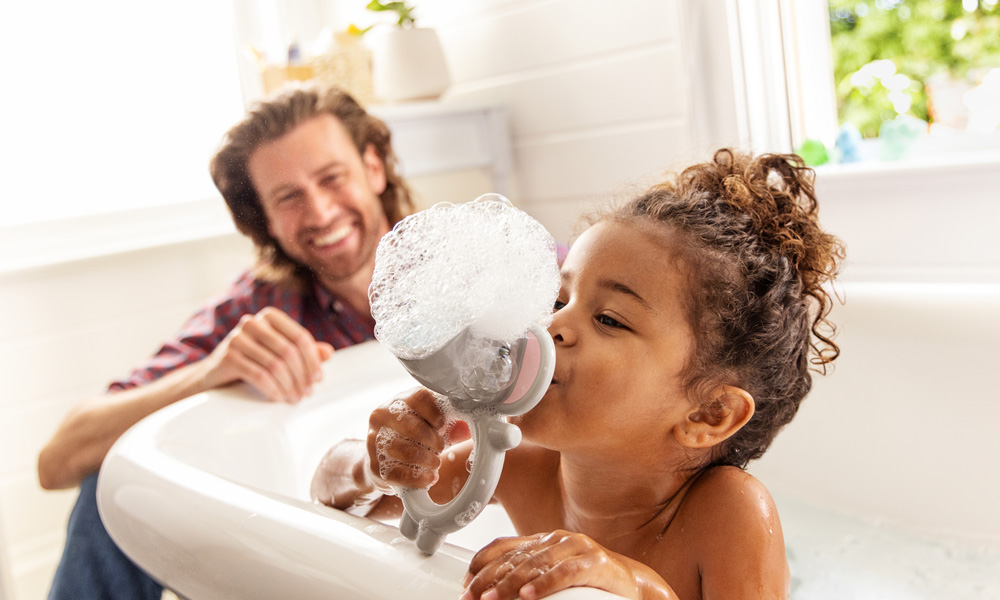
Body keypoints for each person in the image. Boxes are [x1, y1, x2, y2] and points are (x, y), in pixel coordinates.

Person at [311, 149, 845, 600]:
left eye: (609, 318)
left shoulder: (728, 514)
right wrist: (378, 463)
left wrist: (632, 584)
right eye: (559, 298)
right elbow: (324, 493)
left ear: (708, 413)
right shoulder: (518, 465)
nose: (552, 325)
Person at [37, 84, 417, 600]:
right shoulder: (255, 310)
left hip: (444, 535)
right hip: (313, 551)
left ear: (373, 169)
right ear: (264, 219)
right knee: (108, 481)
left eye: (332, 178)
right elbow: (56, 460)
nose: (321, 212)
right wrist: (212, 371)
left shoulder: (464, 259)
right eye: (289, 198)